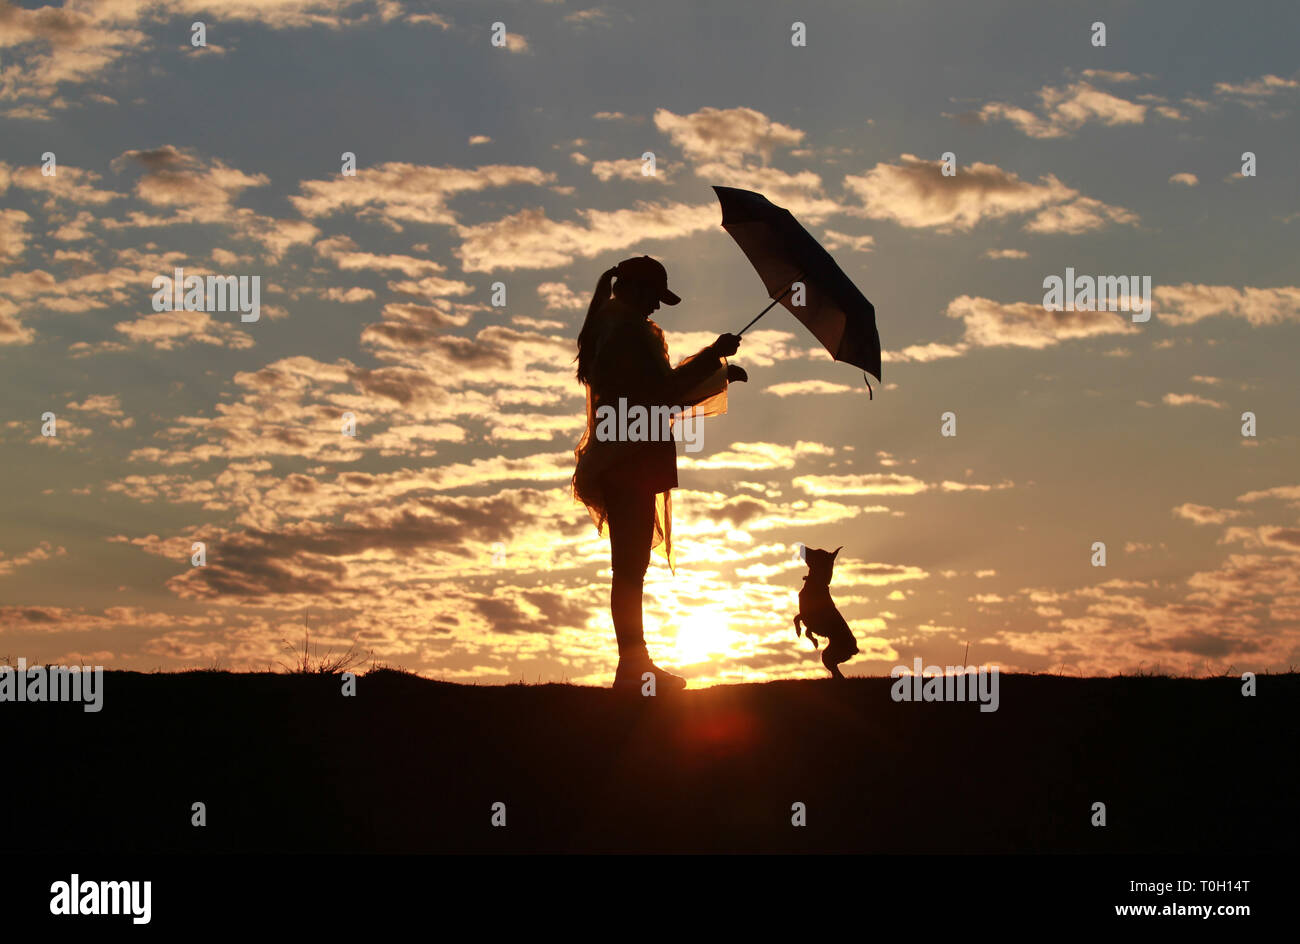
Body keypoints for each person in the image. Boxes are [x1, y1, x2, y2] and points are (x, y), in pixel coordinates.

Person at [573, 256, 746, 691]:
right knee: (630, 568)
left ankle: (634, 663)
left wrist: (717, 367)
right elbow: (661, 393)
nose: (657, 307)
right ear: (634, 289)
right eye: (654, 296)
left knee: (630, 567)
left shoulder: (611, 327)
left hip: (622, 456)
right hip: (629, 458)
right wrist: (715, 358)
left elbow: (655, 392)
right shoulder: (628, 332)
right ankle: (634, 666)